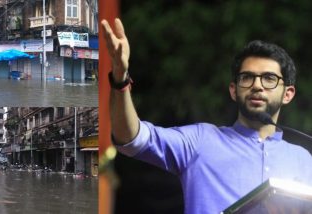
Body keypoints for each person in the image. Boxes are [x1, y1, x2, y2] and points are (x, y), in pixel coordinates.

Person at [101, 18, 312, 213]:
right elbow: (131, 138)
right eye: (247, 77)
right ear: (233, 89)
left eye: (269, 78)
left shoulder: (303, 160)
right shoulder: (201, 141)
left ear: (288, 94)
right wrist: (120, 79)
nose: (257, 85)